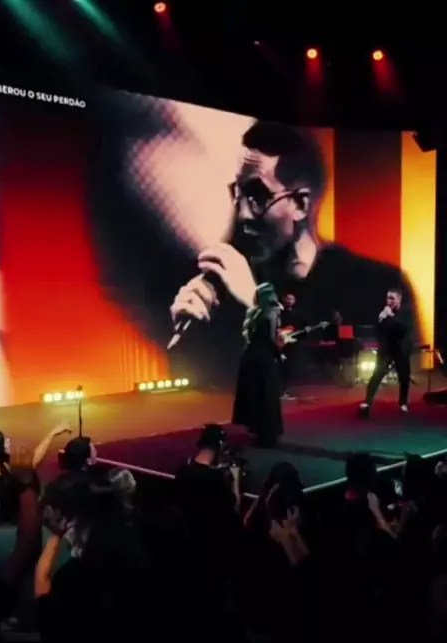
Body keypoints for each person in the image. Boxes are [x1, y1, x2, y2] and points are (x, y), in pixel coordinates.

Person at [170, 121, 418, 361]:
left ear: (300, 204)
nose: (243, 214)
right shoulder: (228, 286)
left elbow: (330, 375)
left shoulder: (377, 286)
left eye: (258, 195)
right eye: (238, 192)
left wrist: (256, 308)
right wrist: (190, 335)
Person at [233, 282, 283, 447]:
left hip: (249, 358)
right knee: (267, 397)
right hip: (264, 360)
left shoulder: (253, 312)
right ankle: (268, 437)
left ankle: (260, 433)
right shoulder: (272, 312)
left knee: (256, 397)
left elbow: (249, 336)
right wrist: (279, 354)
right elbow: (269, 339)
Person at [359, 289, 414, 417]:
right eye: (388, 298)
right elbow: (377, 331)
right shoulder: (385, 313)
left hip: (401, 350)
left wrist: (391, 316)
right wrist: (380, 319)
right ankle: (367, 403)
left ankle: (403, 403)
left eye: (392, 298)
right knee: (377, 375)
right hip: (387, 350)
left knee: (404, 377)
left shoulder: (406, 312)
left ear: (399, 299)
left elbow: (404, 328)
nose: (389, 301)